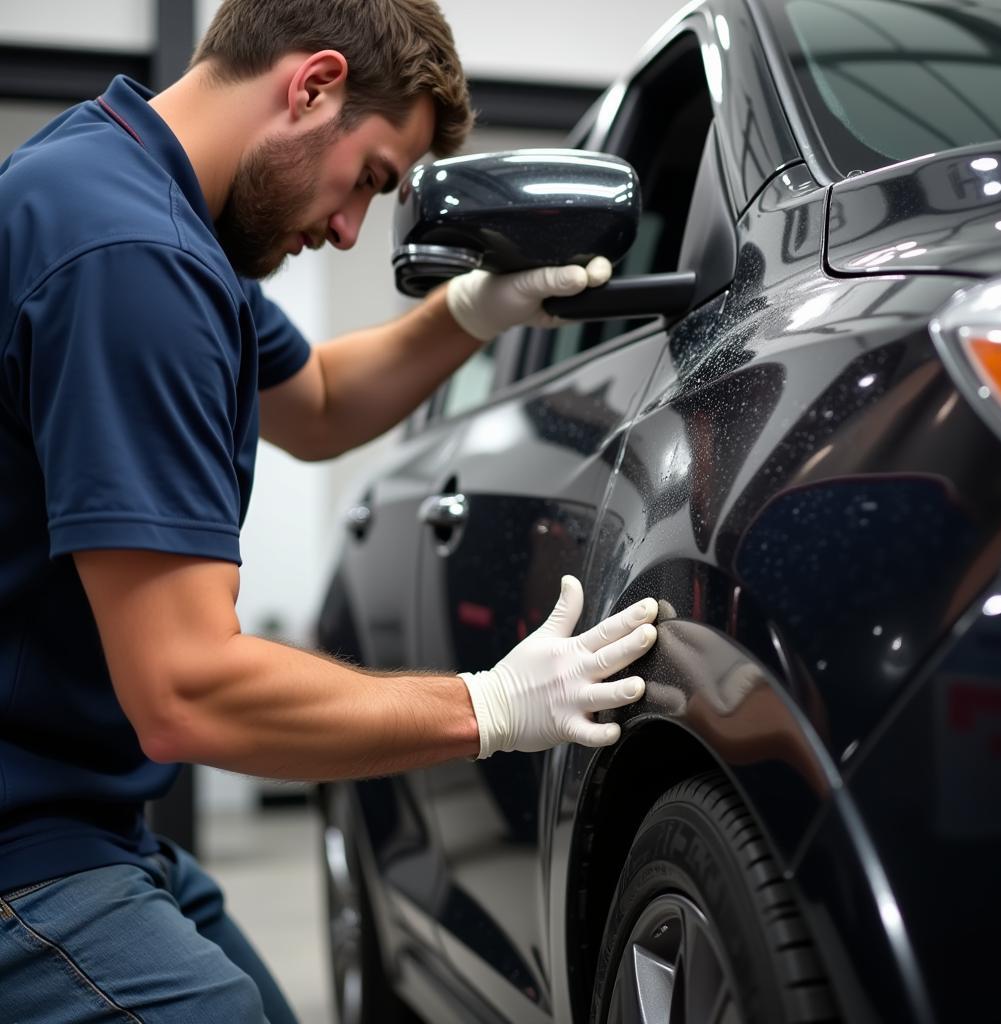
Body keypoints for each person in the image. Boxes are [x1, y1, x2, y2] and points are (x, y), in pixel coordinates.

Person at [0, 0, 658, 1019]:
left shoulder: (130, 192)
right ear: (313, 85)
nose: (350, 228)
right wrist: (486, 708)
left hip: (82, 817)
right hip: (22, 845)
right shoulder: (131, 257)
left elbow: (314, 404)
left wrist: (476, 308)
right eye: (370, 180)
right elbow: (186, 692)